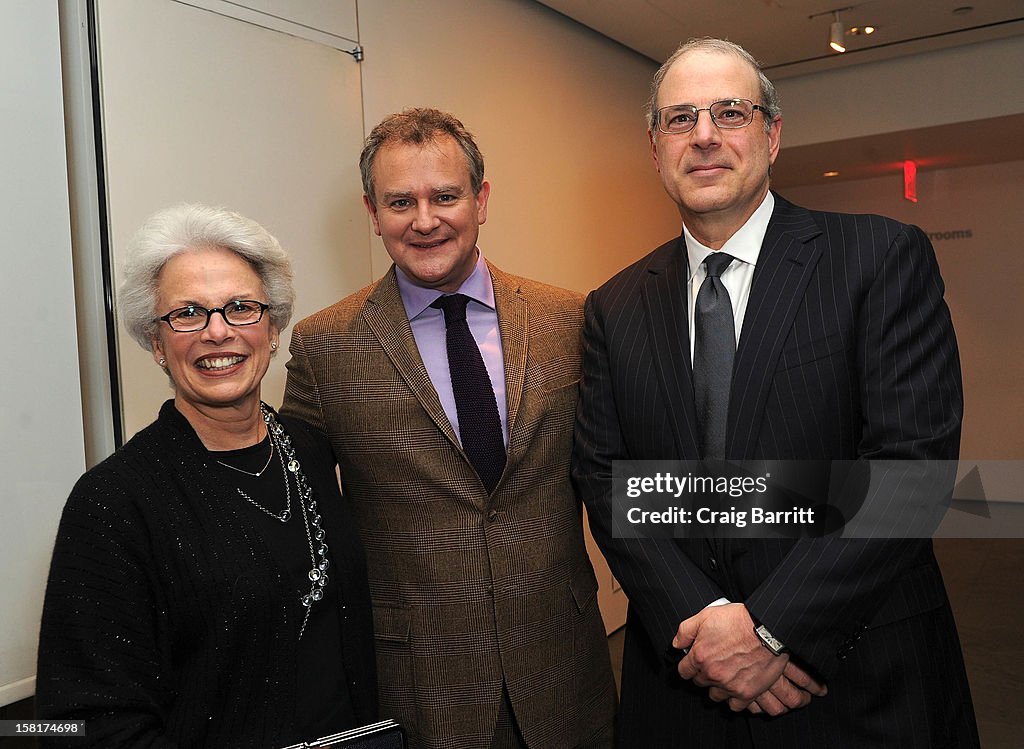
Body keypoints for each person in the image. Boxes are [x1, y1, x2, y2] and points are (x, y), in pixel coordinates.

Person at [572, 38, 980, 747]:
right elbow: (607, 480)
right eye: (680, 118)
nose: (704, 135)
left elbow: (910, 470)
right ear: (654, 145)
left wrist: (769, 630)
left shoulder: (879, 258)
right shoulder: (614, 305)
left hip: (855, 680)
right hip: (684, 681)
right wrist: (709, 630)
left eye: (730, 112)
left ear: (773, 133)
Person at [282, 108, 616, 749]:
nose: (425, 220)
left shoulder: (570, 319)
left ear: (481, 200)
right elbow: (305, 523)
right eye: (400, 201)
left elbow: (612, 474)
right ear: (372, 213)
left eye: (445, 196)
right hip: (419, 686)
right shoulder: (325, 347)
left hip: (565, 670)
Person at [36, 204, 377, 748]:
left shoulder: (310, 451)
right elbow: (84, 725)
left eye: (241, 307)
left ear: (273, 326)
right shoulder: (112, 503)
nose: (218, 332)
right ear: (156, 344)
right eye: (188, 313)